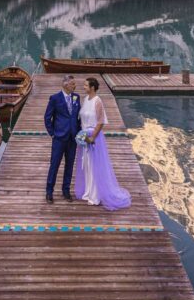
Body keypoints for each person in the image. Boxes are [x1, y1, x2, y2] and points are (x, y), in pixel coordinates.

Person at [74, 77, 131, 210]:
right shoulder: (85, 100)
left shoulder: (97, 101)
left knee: (95, 166)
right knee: (87, 166)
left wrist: (92, 136)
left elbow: (100, 121)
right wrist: (82, 136)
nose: (84, 87)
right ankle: (89, 192)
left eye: (86, 85)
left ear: (92, 87)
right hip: (84, 137)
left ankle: (95, 195)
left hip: (94, 138)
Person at [44, 75, 81, 203]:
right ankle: (49, 192)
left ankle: (66, 191)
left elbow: (78, 117)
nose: (75, 86)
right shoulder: (55, 98)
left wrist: (79, 132)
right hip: (59, 138)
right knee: (54, 165)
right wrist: (52, 134)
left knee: (69, 165)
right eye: (73, 84)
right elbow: (47, 117)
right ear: (65, 85)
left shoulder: (77, 97)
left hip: (72, 138)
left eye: (74, 84)